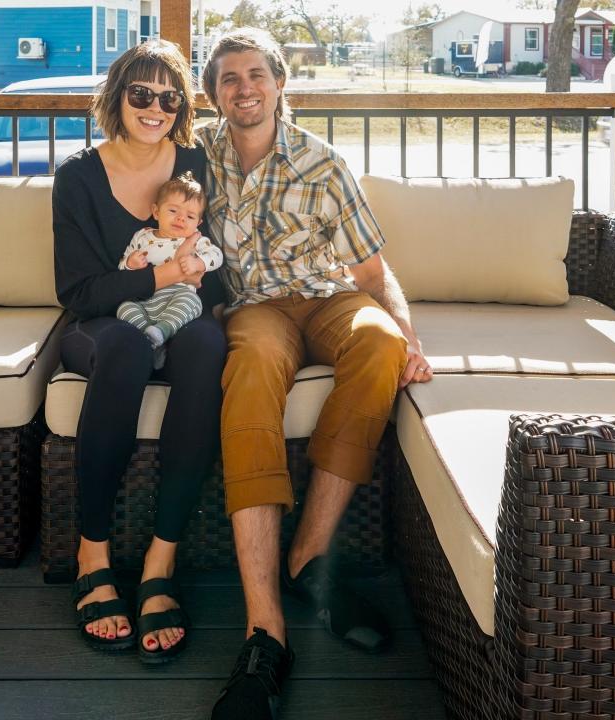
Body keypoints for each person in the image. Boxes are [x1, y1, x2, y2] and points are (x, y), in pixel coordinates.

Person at [197, 28, 434, 718]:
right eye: (229, 79)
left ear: (279, 83)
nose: (244, 89)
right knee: (248, 377)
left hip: (329, 296)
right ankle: (265, 629)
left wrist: (408, 336)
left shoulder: (323, 164)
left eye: (255, 75)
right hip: (256, 308)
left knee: (380, 344)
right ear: (214, 95)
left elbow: (370, 271)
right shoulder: (198, 156)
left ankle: (309, 555)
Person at [52, 39, 226, 664]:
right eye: (141, 93)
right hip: (103, 324)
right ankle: (91, 553)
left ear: (181, 106)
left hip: (178, 318)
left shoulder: (197, 166)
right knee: (125, 346)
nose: (154, 107)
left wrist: (199, 281)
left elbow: (214, 268)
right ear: (118, 95)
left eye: (168, 96)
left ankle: (161, 560)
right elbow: (78, 288)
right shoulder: (77, 175)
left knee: (209, 342)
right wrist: (160, 277)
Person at [117, 171, 223, 369]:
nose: (181, 219)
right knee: (124, 307)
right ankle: (151, 334)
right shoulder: (143, 236)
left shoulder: (196, 240)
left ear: (198, 223)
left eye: (190, 216)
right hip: (145, 298)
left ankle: (161, 331)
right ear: (156, 212)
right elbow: (122, 264)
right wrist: (130, 264)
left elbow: (217, 255)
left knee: (192, 301)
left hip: (178, 295)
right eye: (173, 211)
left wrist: (198, 263)